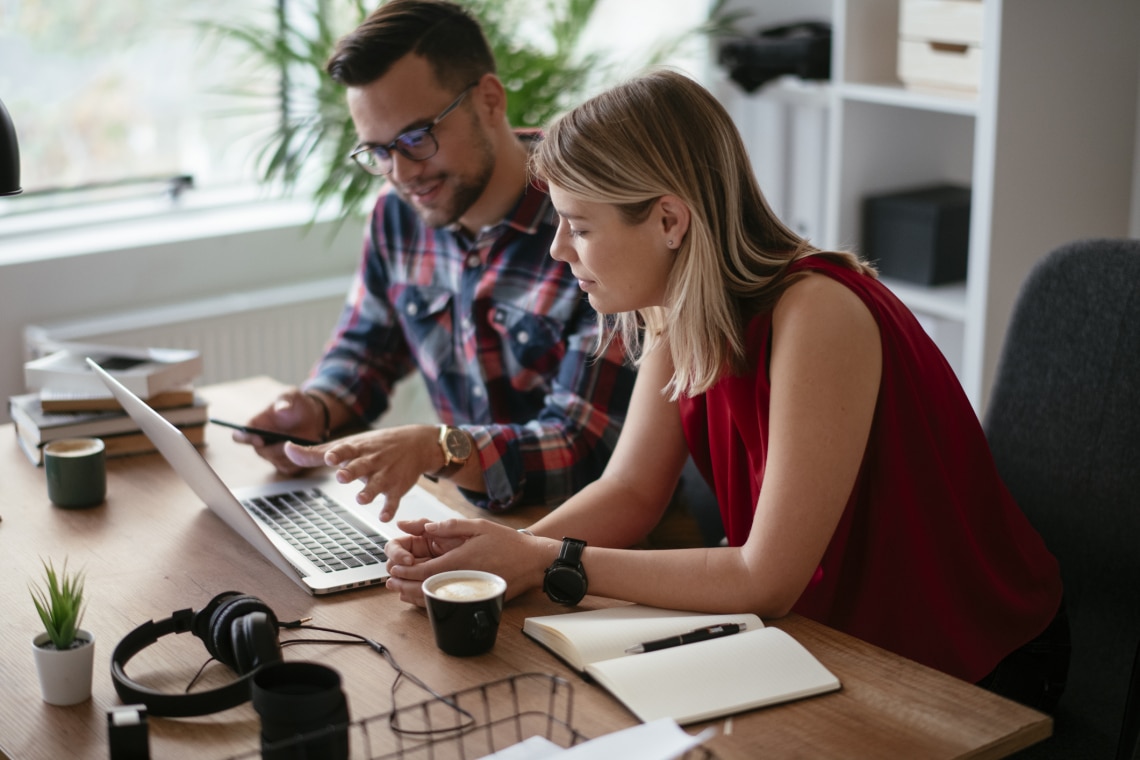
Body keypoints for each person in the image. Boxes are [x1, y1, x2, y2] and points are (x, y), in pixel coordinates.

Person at [384, 69, 1069, 712]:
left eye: (581, 226)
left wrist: (542, 558)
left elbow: (765, 579)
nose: (560, 249)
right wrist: (495, 559)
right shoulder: (674, 307)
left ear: (669, 221)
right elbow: (632, 493)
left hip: (966, 662)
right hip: (825, 634)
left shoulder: (819, 313)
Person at [233, 0, 637, 519]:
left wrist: (440, 448)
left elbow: (584, 446)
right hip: (471, 514)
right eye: (378, 151)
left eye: (417, 137)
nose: (401, 173)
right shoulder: (398, 218)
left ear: (489, 99)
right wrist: (316, 409)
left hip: (591, 529)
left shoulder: (587, 222)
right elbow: (366, 350)